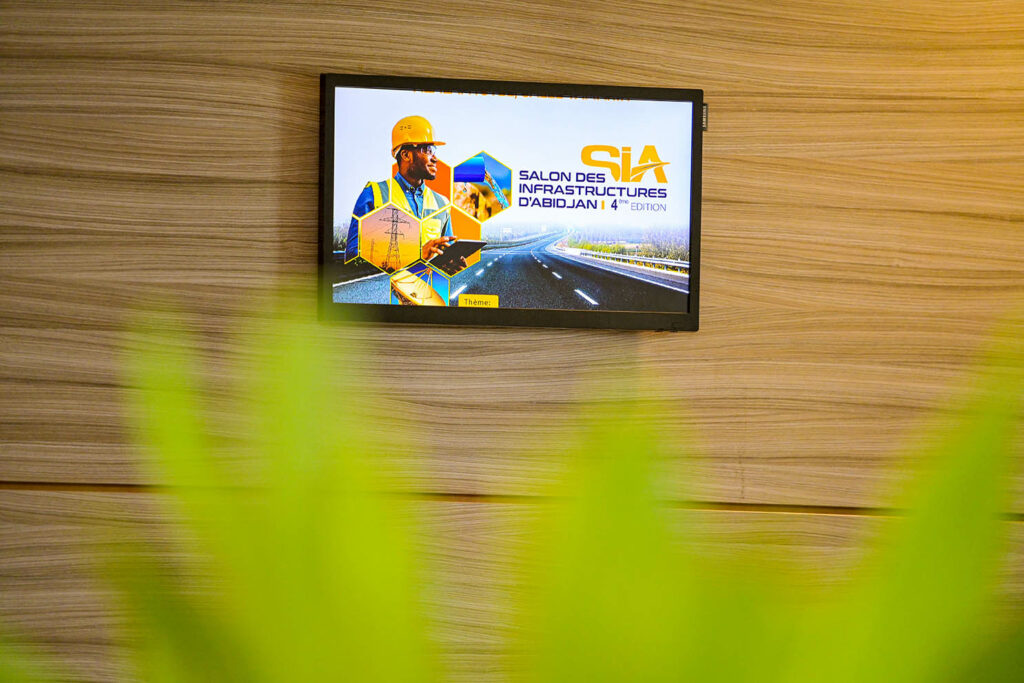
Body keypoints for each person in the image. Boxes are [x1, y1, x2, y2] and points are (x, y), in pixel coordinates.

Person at [345, 115, 461, 267]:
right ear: (406, 155)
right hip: (387, 284)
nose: (435, 158)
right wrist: (415, 257)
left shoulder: (442, 203)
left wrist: (451, 266)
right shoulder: (374, 195)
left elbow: (445, 252)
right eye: (427, 150)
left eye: (434, 150)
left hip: (428, 283)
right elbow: (353, 256)